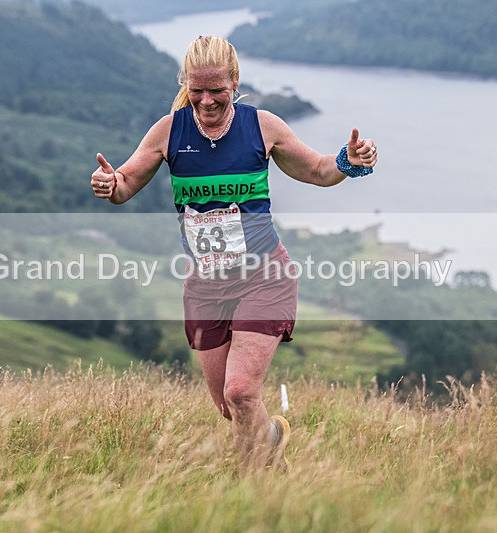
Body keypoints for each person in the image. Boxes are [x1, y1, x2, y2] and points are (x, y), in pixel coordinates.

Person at [91, 35, 377, 471]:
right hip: (206, 287)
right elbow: (126, 184)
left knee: (240, 391)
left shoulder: (262, 126)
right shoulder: (169, 132)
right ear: (185, 84)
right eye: (196, 90)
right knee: (231, 407)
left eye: (217, 91)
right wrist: (110, 185)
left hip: (265, 275)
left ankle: (252, 495)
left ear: (235, 83)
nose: (206, 101)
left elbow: (319, 170)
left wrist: (351, 159)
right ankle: (272, 446)